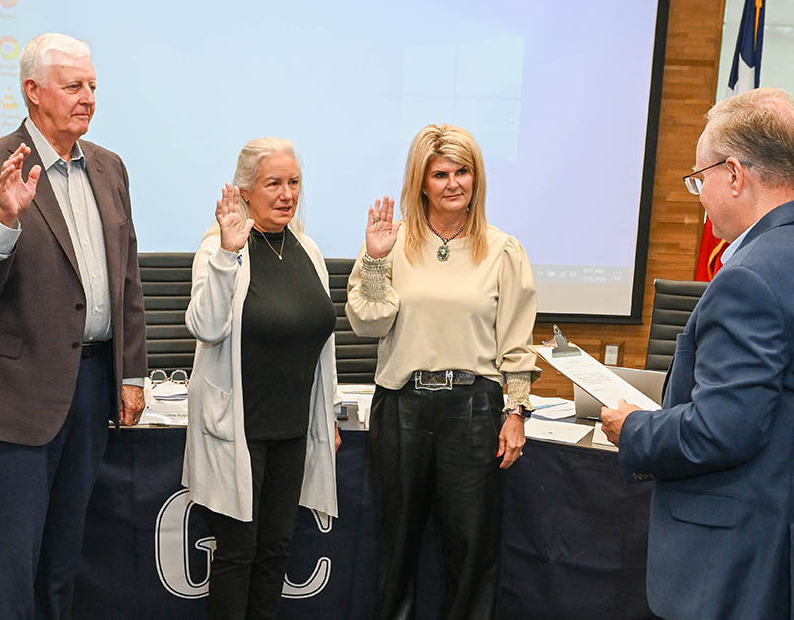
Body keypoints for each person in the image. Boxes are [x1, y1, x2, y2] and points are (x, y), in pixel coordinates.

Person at [601, 88, 794, 620]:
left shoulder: (750, 277)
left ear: (733, 174)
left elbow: (719, 431)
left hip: (750, 566)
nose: (700, 195)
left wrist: (634, 428)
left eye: (699, 178)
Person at [0, 32, 146, 618]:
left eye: (92, 86)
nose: (87, 98)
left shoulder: (109, 168)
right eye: (73, 86)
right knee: (12, 567)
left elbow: (127, 278)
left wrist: (130, 372)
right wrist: (6, 219)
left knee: (64, 561)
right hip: (17, 397)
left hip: (90, 389)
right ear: (33, 92)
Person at [346, 124, 540, 620]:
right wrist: (374, 259)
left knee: (473, 551)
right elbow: (368, 323)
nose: (453, 183)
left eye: (463, 172)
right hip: (402, 407)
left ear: (476, 178)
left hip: (475, 409)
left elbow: (515, 341)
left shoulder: (503, 250)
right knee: (397, 545)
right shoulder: (391, 241)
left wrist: (515, 411)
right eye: (440, 174)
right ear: (421, 181)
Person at [182, 138, 340, 620]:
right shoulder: (218, 249)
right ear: (245, 191)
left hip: (294, 431)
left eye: (294, 183)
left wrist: (326, 416)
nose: (286, 194)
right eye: (274, 183)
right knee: (238, 555)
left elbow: (321, 343)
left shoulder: (307, 250)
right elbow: (205, 327)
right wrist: (228, 255)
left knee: (276, 553)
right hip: (238, 433)